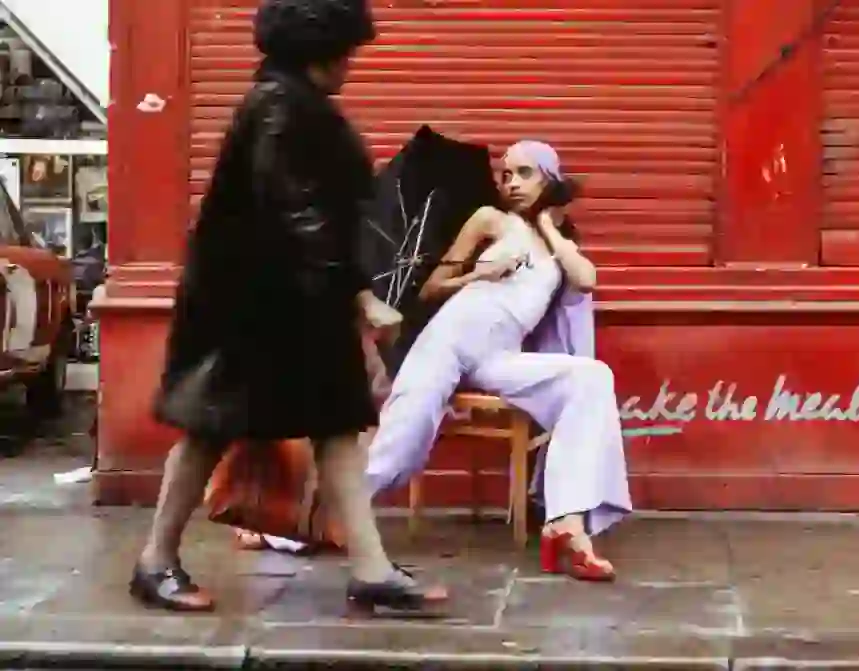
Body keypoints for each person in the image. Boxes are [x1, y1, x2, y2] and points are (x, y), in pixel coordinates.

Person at [130, 0, 445, 614]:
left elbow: (315, 214)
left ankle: (372, 569)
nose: (353, 63)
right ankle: (155, 560)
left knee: (335, 429)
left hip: (292, 300)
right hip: (250, 307)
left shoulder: (293, 104)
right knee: (209, 429)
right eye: (347, 51)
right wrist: (360, 297)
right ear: (320, 50)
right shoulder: (279, 106)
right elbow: (296, 213)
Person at [364, 140, 632, 581]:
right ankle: (293, 528)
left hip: (497, 356)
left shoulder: (556, 246)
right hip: (447, 341)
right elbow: (429, 291)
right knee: (399, 449)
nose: (512, 183)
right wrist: (479, 274)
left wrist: (547, 227)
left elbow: (586, 280)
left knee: (590, 379)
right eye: (506, 174)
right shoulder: (491, 221)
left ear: (549, 178)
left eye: (525, 173)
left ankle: (566, 522)